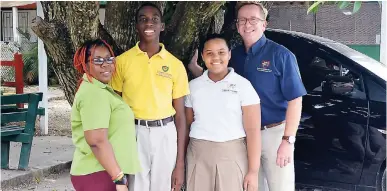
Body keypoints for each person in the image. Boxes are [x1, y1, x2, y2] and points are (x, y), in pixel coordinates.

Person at [188, 2, 306, 191]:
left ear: (264, 24)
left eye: (253, 19)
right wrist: (196, 70)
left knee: (280, 187)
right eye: (242, 20)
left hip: (274, 134)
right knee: (250, 186)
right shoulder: (234, 55)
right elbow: (218, 80)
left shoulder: (281, 56)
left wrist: (287, 140)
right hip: (243, 137)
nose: (247, 24)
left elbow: (295, 99)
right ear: (237, 25)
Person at [110, 3, 190, 191]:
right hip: (134, 132)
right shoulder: (122, 62)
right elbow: (115, 110)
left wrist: (180, 163)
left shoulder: (175, 65)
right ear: (136, 26)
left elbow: (180, 116)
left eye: (154, 19)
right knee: (137, 186)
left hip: (165, 132)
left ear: (162, 26)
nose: (149, 23)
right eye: (143, 19)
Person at [185, 34, 261, 191]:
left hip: (232, 154)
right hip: (198, 154)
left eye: (221, 52)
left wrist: (253, 172)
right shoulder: (193, 87)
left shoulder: (243, 86)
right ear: (202, 56)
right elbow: (187, 125)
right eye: (209, 53)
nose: (216, 58)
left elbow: (253, 131)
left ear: (229, 54)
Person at [70, 39, 141, 191]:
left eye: (109, 59)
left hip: (105, 172)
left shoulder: (100, 89)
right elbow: (97, 141)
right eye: (97, 60)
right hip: (98, 173)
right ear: (85, 64)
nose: (105, 64)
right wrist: (119, 179)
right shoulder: (94, 93)